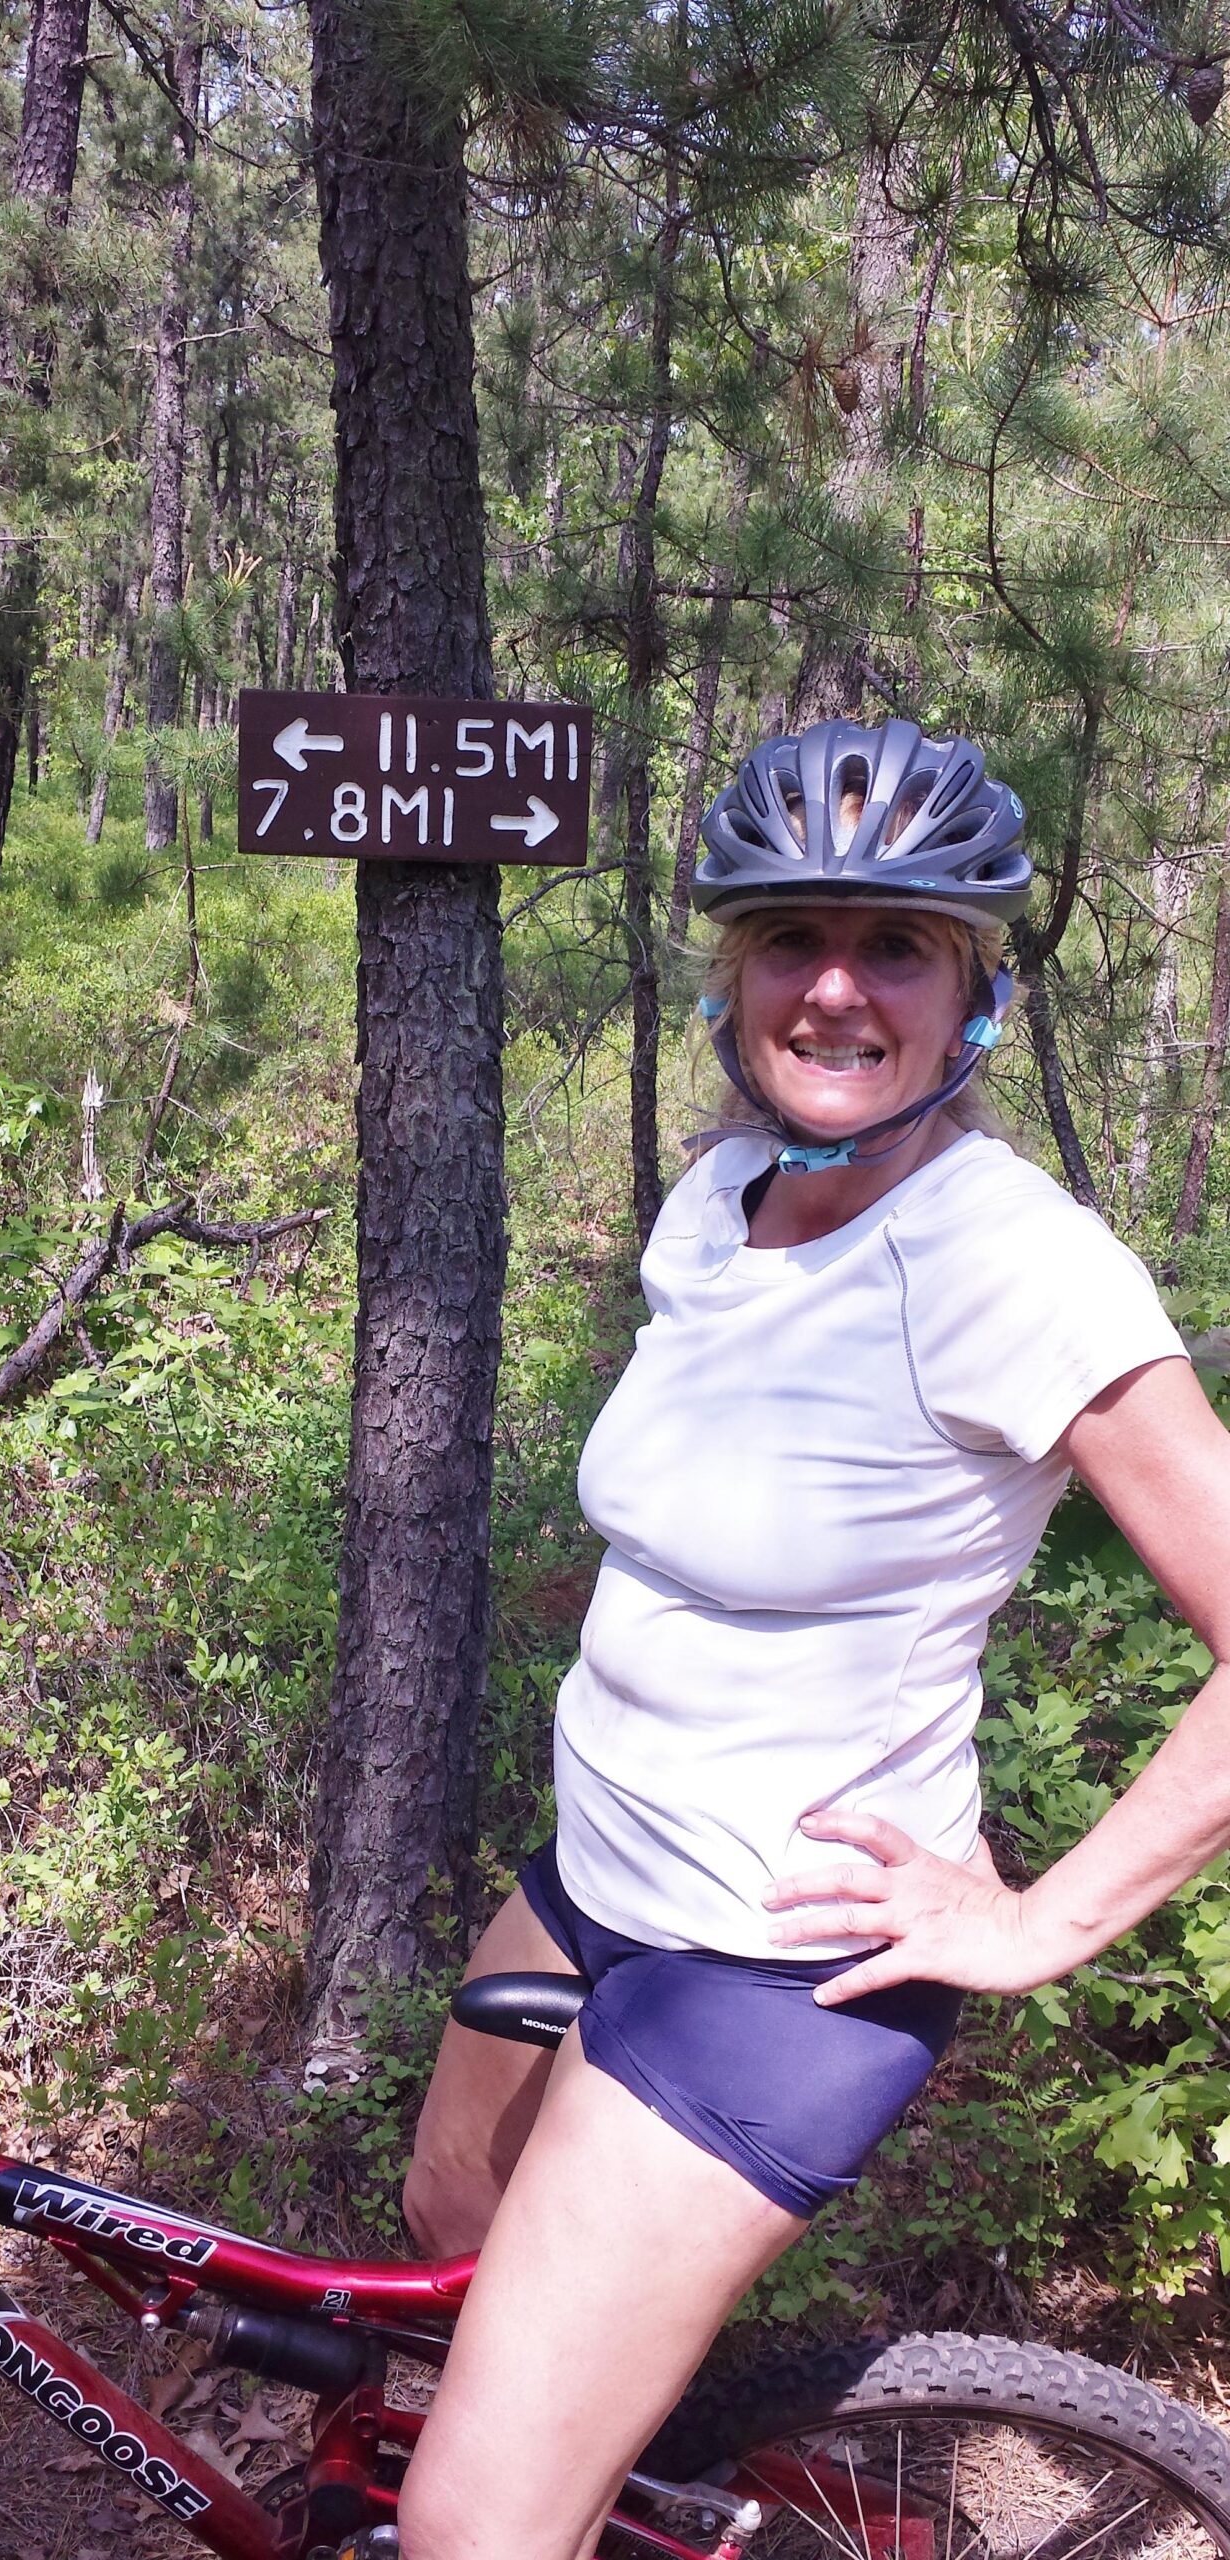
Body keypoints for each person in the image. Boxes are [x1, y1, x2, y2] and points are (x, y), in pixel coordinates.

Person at [395, 717, 1230, 2560]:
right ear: (732, 976)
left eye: (898, 946)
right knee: (447, 2218)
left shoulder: (1016, 1266)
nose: (836, 986)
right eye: (790, 939)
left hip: (773, 1966)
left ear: (974, 996)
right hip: (599, 1874)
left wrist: (1038, 1921)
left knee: (467, 2531)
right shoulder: (720, 1205)